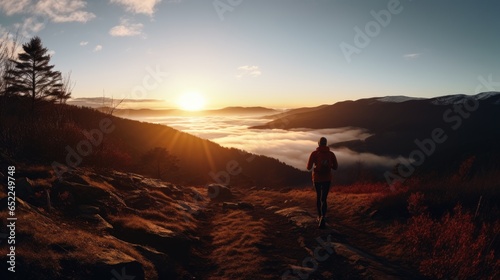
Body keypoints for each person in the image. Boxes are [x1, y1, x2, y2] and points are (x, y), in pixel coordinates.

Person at [307, 137, 338, 229]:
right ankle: (323, 217)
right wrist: (328, 165)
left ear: (318, 144)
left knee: (318, 197)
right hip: (327, 179)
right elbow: (335, 167)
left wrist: (315, 166)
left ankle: (319, 216)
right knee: (324, 199)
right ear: (326, 144)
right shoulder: (331, 154)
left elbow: (308, 167)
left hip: (317, 179)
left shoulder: (314, 153)